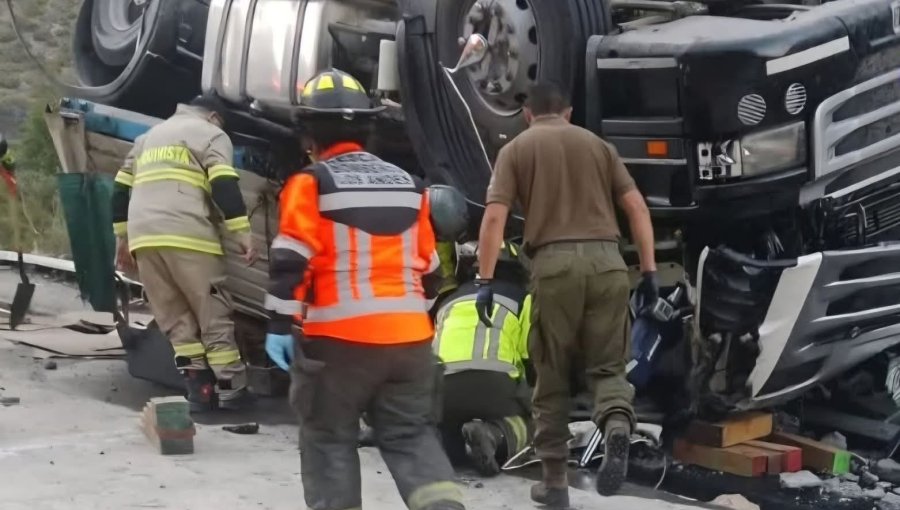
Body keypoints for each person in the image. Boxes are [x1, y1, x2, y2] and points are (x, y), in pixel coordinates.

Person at [263, 69, 465, 510]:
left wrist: (279, 322)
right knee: (411, 436)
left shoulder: (311, 184)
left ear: (307, 134)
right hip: (411, 340)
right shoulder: (411, 187)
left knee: (329, 440)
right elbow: (430, 270)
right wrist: (414, 316)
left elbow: (290, 259)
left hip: (338, 345)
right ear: (368, 129)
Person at [476, 82, 658, 506]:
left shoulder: (516, 150)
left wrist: (485, 280)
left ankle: (555, 482)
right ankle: (615, 424)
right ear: (569, 112)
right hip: (609, 263)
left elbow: (494, 218)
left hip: (555, 268)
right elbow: (637, 208)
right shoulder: (599, 147)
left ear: (527, 114)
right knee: (609, 367)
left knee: (552, 375)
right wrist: (648, 270)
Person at [111, 93, 256, 412]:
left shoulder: (147, 138)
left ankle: (200, 393)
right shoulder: (212, 134)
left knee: (176, 319)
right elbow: (223, 183)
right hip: (188, 236)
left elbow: (120, 189)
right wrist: (242, 232)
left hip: (143, 239)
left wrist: (123, 238)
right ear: (215, 117)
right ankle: (232, 391)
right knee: (212, 312)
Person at [433, 241, 533, 476]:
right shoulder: (523, 298)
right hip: (494, 386)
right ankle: (493, 434)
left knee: (447, 425)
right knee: (538, 420)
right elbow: (531, 356)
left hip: (442, 389)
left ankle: (445, 442)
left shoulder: (448, 301)